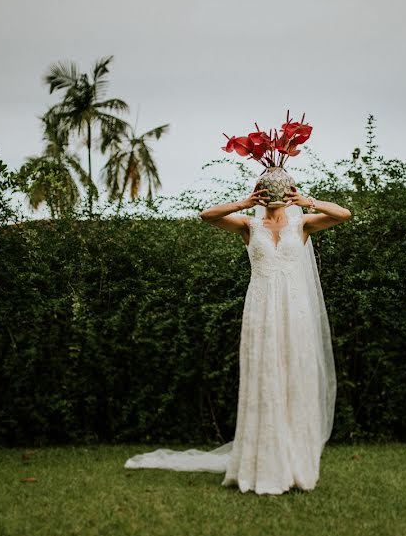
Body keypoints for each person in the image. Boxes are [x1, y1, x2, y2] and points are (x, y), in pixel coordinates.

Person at [124, 184, 351, 495]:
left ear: (288, 192)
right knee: (264, 378)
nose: (275, 194)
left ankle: (295, 463)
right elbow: (207, 215)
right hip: (260, 310)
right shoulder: (249, 225)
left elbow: (344, 214)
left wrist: (308, 201)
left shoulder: (303, 224)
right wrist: (244, 203)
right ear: (261, 192)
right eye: (269, 188)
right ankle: (263, 464)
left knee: (293, 378)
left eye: (281, 188)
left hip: (293, 310)